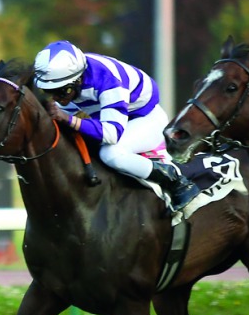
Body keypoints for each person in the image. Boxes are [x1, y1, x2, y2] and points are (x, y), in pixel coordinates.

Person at [32, 40, 198, 214]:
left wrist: (68, 119)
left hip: (146, 119)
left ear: (78, 80)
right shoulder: (71, 77)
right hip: (113, 119)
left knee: (110, 153)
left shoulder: (107, 79)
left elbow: (110, 135)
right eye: (49, 91)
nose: (56, 98)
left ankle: (174, 181)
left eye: (62, 91)